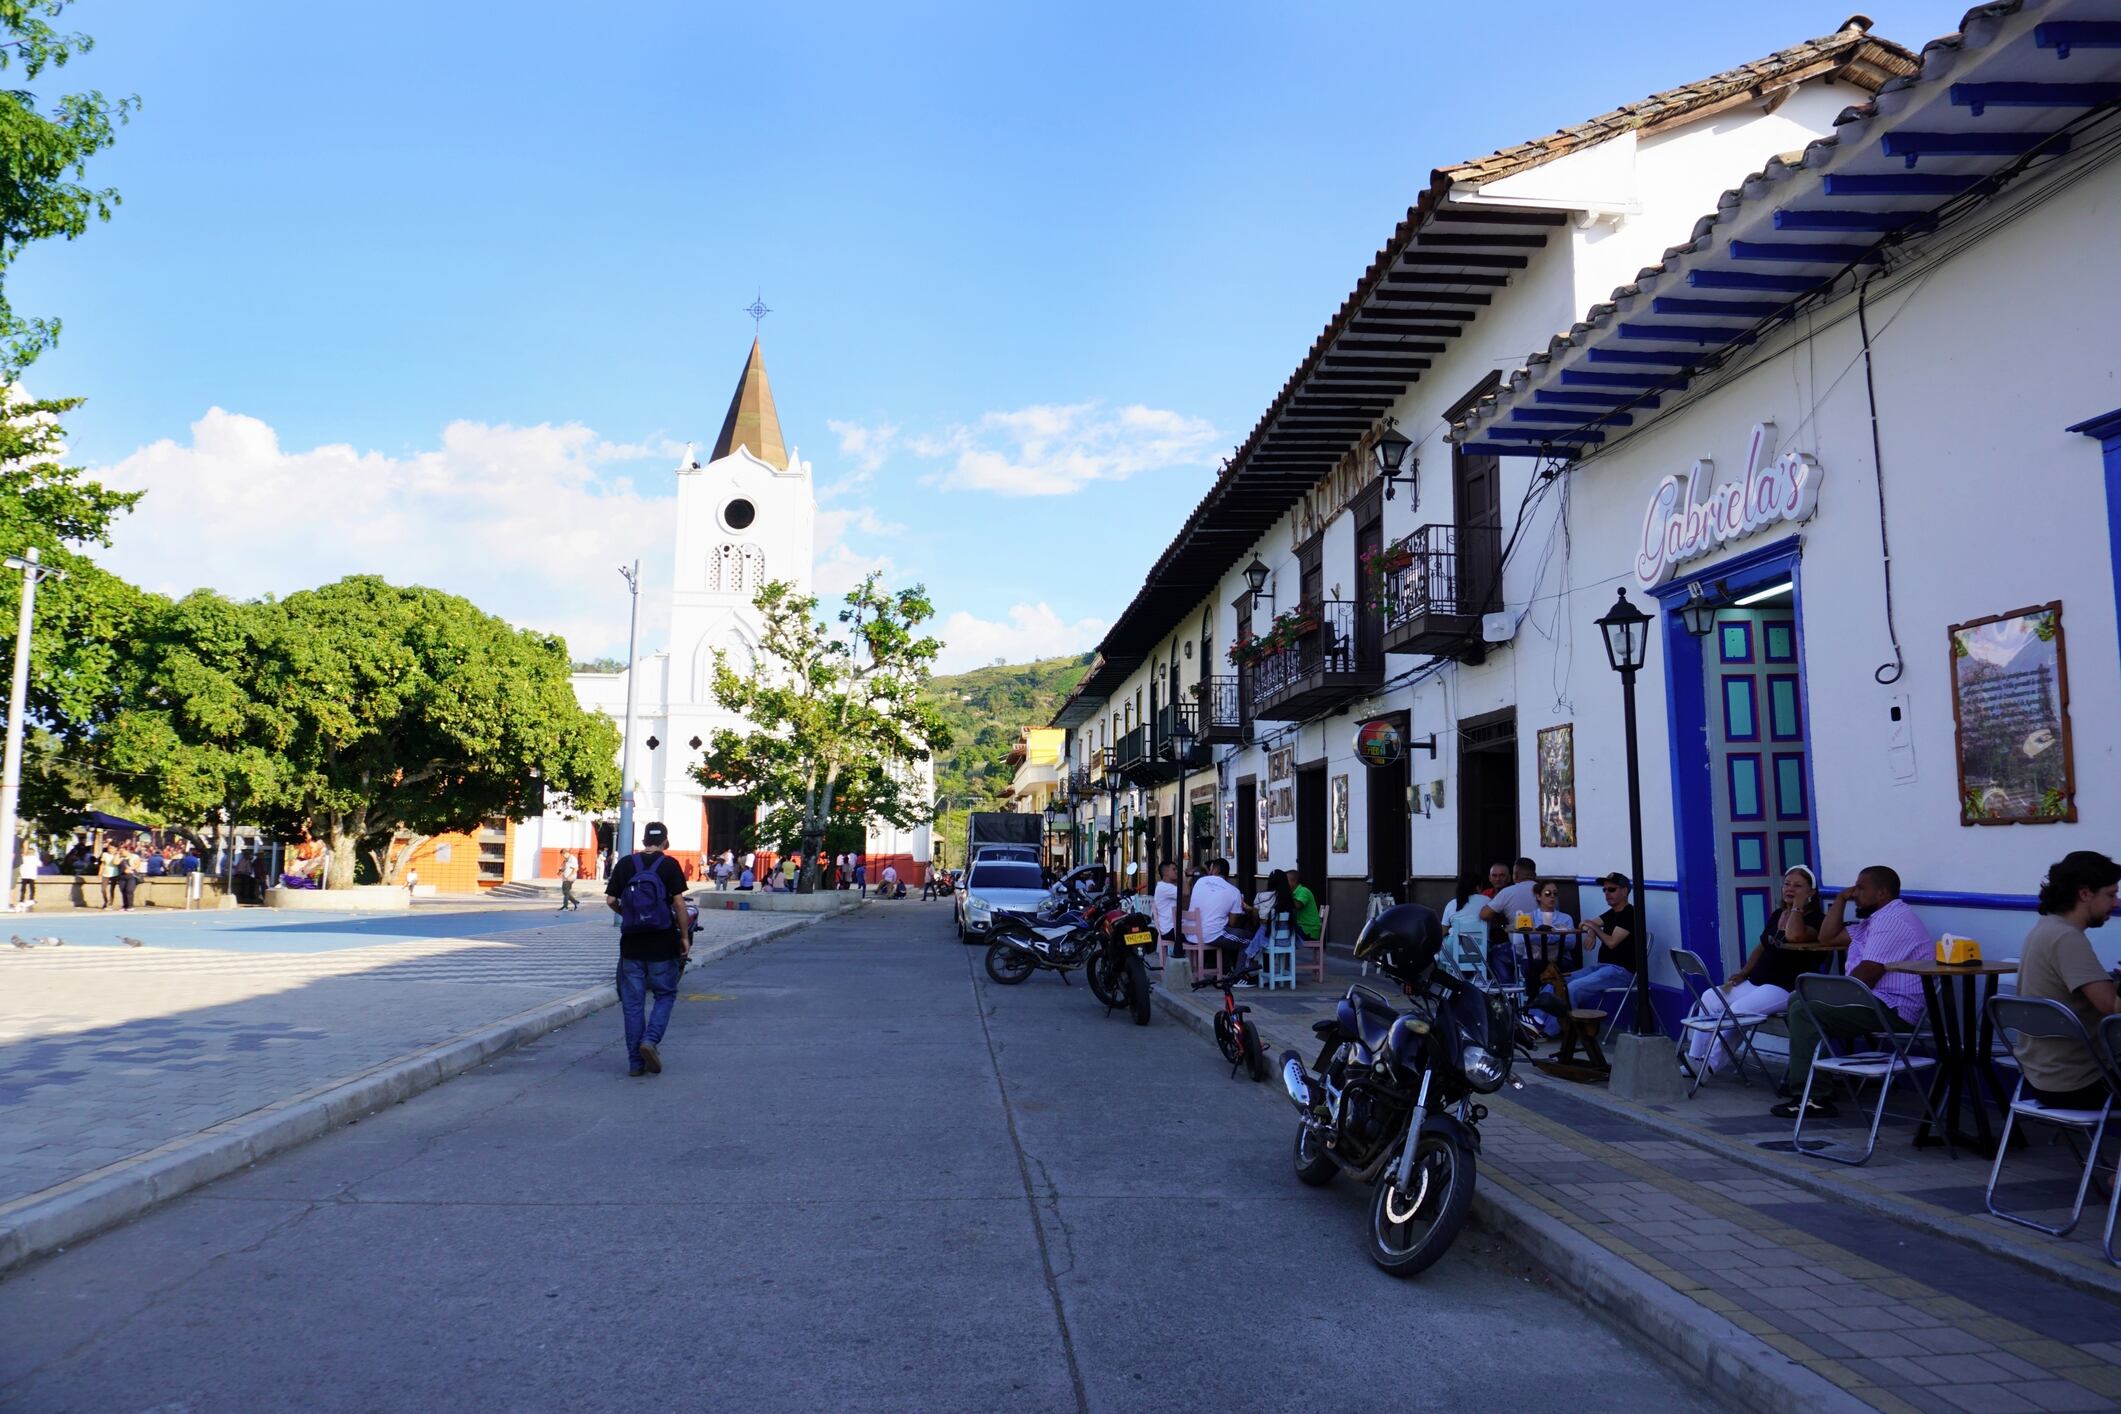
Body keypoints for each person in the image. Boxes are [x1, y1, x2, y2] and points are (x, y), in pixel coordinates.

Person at [1773, 864, 1931, 1119]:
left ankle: (1814, 1096)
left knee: (1804, 1010)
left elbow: (1867, 975)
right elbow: (1827, 937)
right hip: (1874, 1001)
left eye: (1860, 888)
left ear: (1881, 893)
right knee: (1797, 999)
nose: (1855, 892)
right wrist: (1840, 899)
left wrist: (1833, 996)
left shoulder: (1892, 920)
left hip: (1895, 1009)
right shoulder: (1874, 920)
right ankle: (1818, 1080)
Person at [1687, 866, 1821, 1076]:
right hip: (1757, 980)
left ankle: (1710, 1065)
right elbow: (1762, 946)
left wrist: (1796, 908)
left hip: (1784, 987)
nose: (1790, 889)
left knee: (1739, 1010)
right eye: (1787, 884)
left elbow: (1795, 936)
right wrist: (1744, 972)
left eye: (1798, 886)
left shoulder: (1816, 920)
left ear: (1811, 892)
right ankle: (1694, 1059)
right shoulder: (1778, 914)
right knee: (1710, 997)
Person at [2012, 851, 2121, 1108]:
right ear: (2085, 894)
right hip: (2082, 1082)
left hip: (2041, 1078)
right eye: (2110, 894)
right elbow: (2111, 1007)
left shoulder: (2045, 928)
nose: (2115, 903)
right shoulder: (2067, 939)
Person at [605, 821, 692, 1078]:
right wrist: (684, 937)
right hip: (662, 943)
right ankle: (650, 1040)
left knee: (632, 1004)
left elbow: (610, 900)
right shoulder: (669, 865)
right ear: (666, 841)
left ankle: (635, 1063)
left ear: (643, 841)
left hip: (631, 945)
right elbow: (679, 905)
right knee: (665, 995)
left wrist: (628, 914)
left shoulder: (625, 864)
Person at [1532, 872, 1639, 1038]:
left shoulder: (1629, 914)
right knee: (1555, 981)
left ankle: (1549, 1031)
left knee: (1572, 988)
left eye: (1611, 889)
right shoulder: (1612, 913)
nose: (1606, 894)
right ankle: (1534, 1022)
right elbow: (1584, 924)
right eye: (1604, 890)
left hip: (1620, 972)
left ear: (1624, 891)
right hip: (1602, 967)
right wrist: (1591, 933)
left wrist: (1595, 930)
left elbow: (1611, 942)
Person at [1480, 857, 1541, 983]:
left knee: (1495, 954)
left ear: (1513, 876)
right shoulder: (1548, 892)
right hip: (1548, 948)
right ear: (1534, 874)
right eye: (1494, 875)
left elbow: (1484, 914)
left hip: (1521, 950)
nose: (1498, 879)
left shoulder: (1508, 892)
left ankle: (1508, 991)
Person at [1439, 872, 1492, 982]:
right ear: (1478, 887)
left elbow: (1442, 932)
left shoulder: (1452, 904)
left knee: (1440, 953)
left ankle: (1447, 985)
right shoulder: (1487, 901)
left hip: (1453, 953)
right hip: (1480, 954)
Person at [1152, 860, 1181, 952]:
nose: (1177, 871)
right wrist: (1183, 876)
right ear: (1165, 872)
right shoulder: (1164, 887)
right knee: (1200, 934)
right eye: (1174, 869)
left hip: (1172, 928)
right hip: (1170, 930)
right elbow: (1185, 894)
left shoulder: (1165, 887)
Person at [16, 838, 39, 907]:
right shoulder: (34, 858)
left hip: (24, 875)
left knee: (23, 888)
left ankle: (21, 899)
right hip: (31, 876)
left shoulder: (24, 858)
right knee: (32, 888)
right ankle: (31, 898)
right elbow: (40, 864)